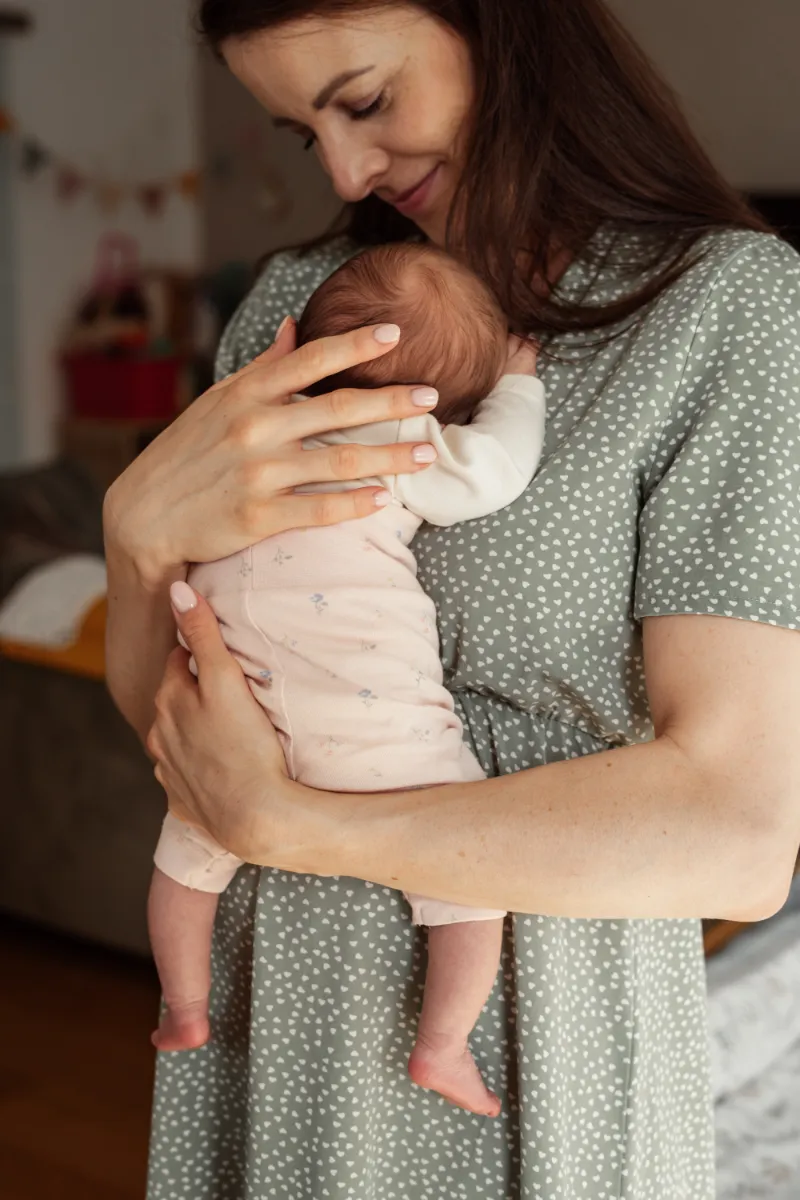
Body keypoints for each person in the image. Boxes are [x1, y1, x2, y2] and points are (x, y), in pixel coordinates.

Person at [103, 1, 800, 1196]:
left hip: (543, 1019)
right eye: (296, 133)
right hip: (272, 997)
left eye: (364, 101)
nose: (344, 168)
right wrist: (131, 539)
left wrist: (293, 825)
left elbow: (736, 843)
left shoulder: (722, 306)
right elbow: (179, 709)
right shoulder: (298, 305)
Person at [147, 241, 546, 1121]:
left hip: (230, 703)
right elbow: (495, 471)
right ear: (435, 402)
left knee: (188, 850)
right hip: (363, 720)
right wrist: (518, 385)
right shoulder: (402, 434)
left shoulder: (250, 429)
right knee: (469, 877)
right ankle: (441, 1047)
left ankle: (181, 1004)